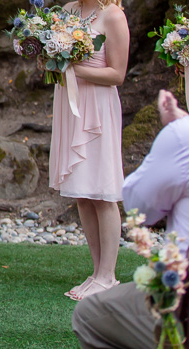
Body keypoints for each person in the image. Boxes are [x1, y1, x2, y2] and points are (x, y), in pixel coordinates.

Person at [72, 89, 189, 348]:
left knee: (89, 316)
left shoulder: (183, 136)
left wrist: (176, 131)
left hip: (183, 296)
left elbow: (140, 206)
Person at [50, 0, 130, 301]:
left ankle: (109, 275)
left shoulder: (112, 16)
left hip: (97, 108)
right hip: (70, 106)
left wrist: (72, 68)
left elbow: (117, 74)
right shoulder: (68, 13)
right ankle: (96, 272)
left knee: (102, 191)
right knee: (82, 193)